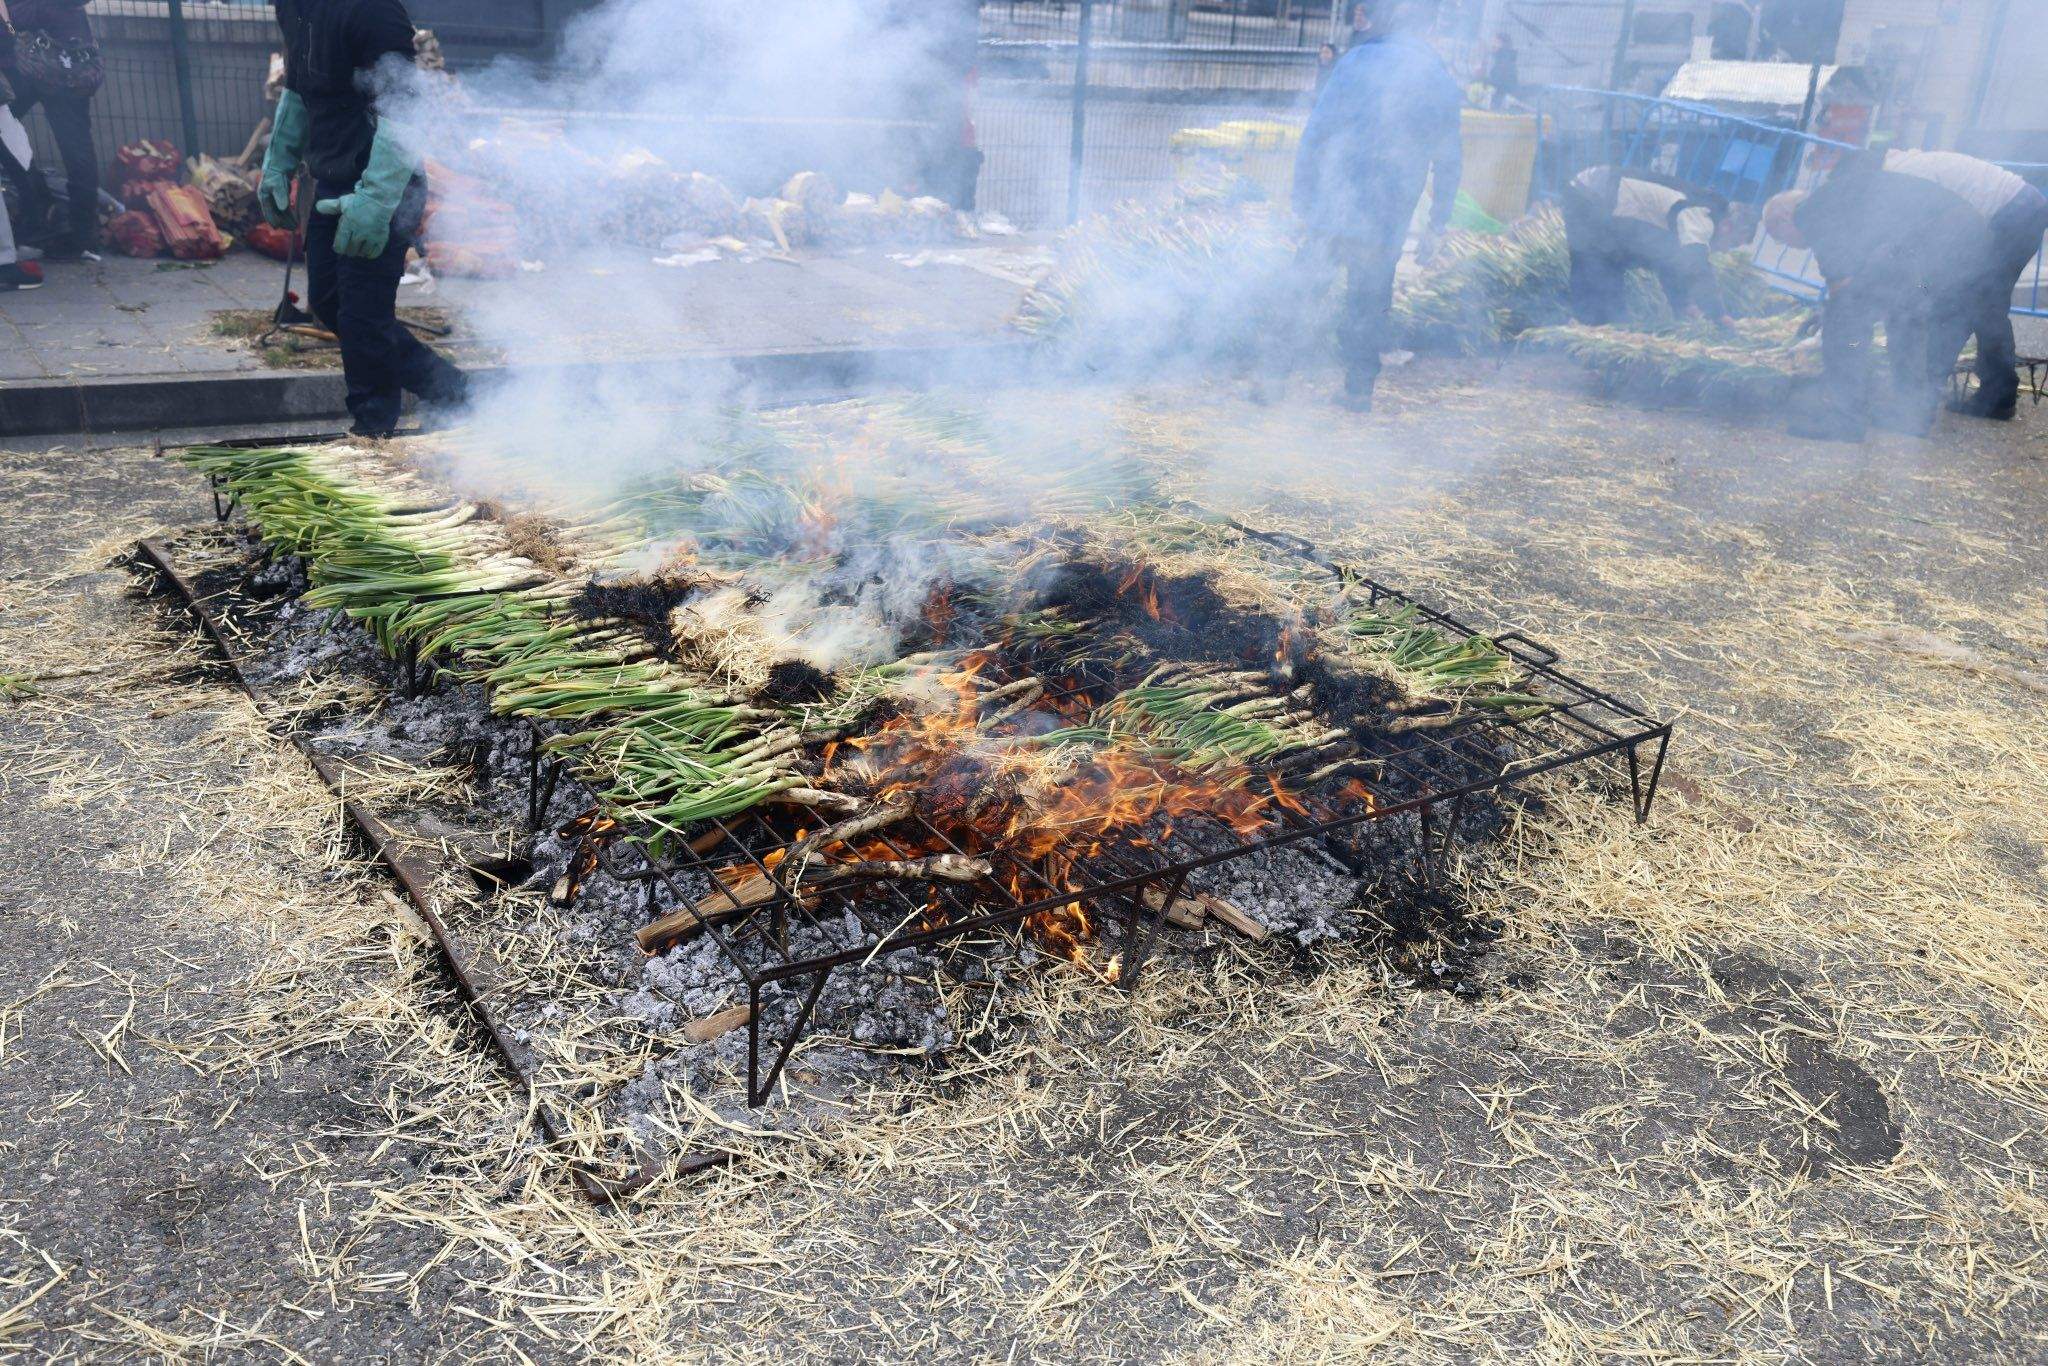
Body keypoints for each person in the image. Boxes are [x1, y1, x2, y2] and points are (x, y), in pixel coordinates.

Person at [264, 0, 469, 438]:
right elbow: (299, 90)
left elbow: (405, 106)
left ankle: (373, 430)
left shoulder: (371, 9)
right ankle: (456, 392)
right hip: (334, 180)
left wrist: (376, 198)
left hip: (386, 183)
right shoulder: (294, 6)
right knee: (331, 302)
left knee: (362, 314)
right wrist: (278, 161)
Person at [1287, 0, 1461, 412]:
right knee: (1369, 303)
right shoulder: (1437, 77)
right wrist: (1438, 223)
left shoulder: (1356, 61)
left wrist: (1302, 195)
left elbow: (1317, 132)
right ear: (1429, 27)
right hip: (1388, 218)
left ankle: (1270, 381)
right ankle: (1357, 391)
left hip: (1335, 208)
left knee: (1300, 291)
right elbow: (1449, 160)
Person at [1764, 171, 1992, 442]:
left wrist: (1830, 322)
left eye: (1778, 238)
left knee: (1844, 324)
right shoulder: (1840, 199)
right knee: (1905, 316)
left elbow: (1844, 290)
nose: (1786, 246)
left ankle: (1844, 418)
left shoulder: (1810, 212)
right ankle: (1911, 415)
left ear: (1784, 219)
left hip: (1936, 239)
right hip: (1964, 236)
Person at [1850, 147, 2048, 421]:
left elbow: (1930, 231)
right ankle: (1973, 390)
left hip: (2012, 213)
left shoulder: (1903, 176)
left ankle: (1992, 395)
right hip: (2016, 208)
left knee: (1981, 303)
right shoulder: (1904, 166)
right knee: (1976, 304)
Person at [1561, 166, 1747, 327]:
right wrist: (1718, 314)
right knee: (1595, 271)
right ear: (1726, 227)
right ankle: (1587, 335)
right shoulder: (1700, 216)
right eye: (1732, 243)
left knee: (1607, 284)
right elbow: (1696, 266)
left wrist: (1682, 304)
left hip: (1598, 201)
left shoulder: (1699, 212)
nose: (1725, 250)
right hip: (1591, 194)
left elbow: (1669, 261)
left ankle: (1591, 333)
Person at [1, 0, 99, 261]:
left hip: (43, 58)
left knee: (7, 131)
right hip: (60, 56)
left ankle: (53, 220)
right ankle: (75, 231)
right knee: (76, 148)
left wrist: (15, 14)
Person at [1485, 33, 1519, 110]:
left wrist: (1483, 80)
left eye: (1496, 42)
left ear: (1504, 45)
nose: (1492, 45)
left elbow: (1499, 85)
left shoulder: (1504, 62)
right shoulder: (1500, 60)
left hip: (1502, 106)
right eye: (1492, 42)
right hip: (1502, 103)